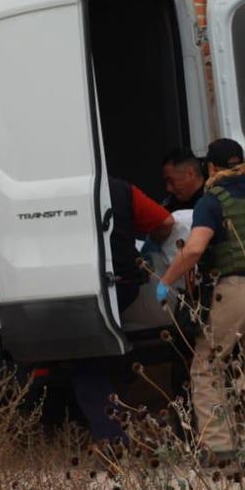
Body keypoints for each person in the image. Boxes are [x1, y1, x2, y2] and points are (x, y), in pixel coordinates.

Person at [156, 138, 245, 465]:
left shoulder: (211, 201)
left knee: (209, 366)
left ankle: (219, 446)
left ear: (211, 168)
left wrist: (166, 281)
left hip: (230, 291)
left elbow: (194, 249)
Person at [72, 177, 173, 447]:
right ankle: (126, 422)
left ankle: (112, 436)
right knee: (109, 345)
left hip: (79, 290)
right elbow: (164, 223)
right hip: (123, 285)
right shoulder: (120, 188)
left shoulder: (50, 188)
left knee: (85, 361)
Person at [161, 147, 205, 212]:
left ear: (190, 174)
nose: (169, 188)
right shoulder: (169, 205)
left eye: (171, 181)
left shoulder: (215, 203)